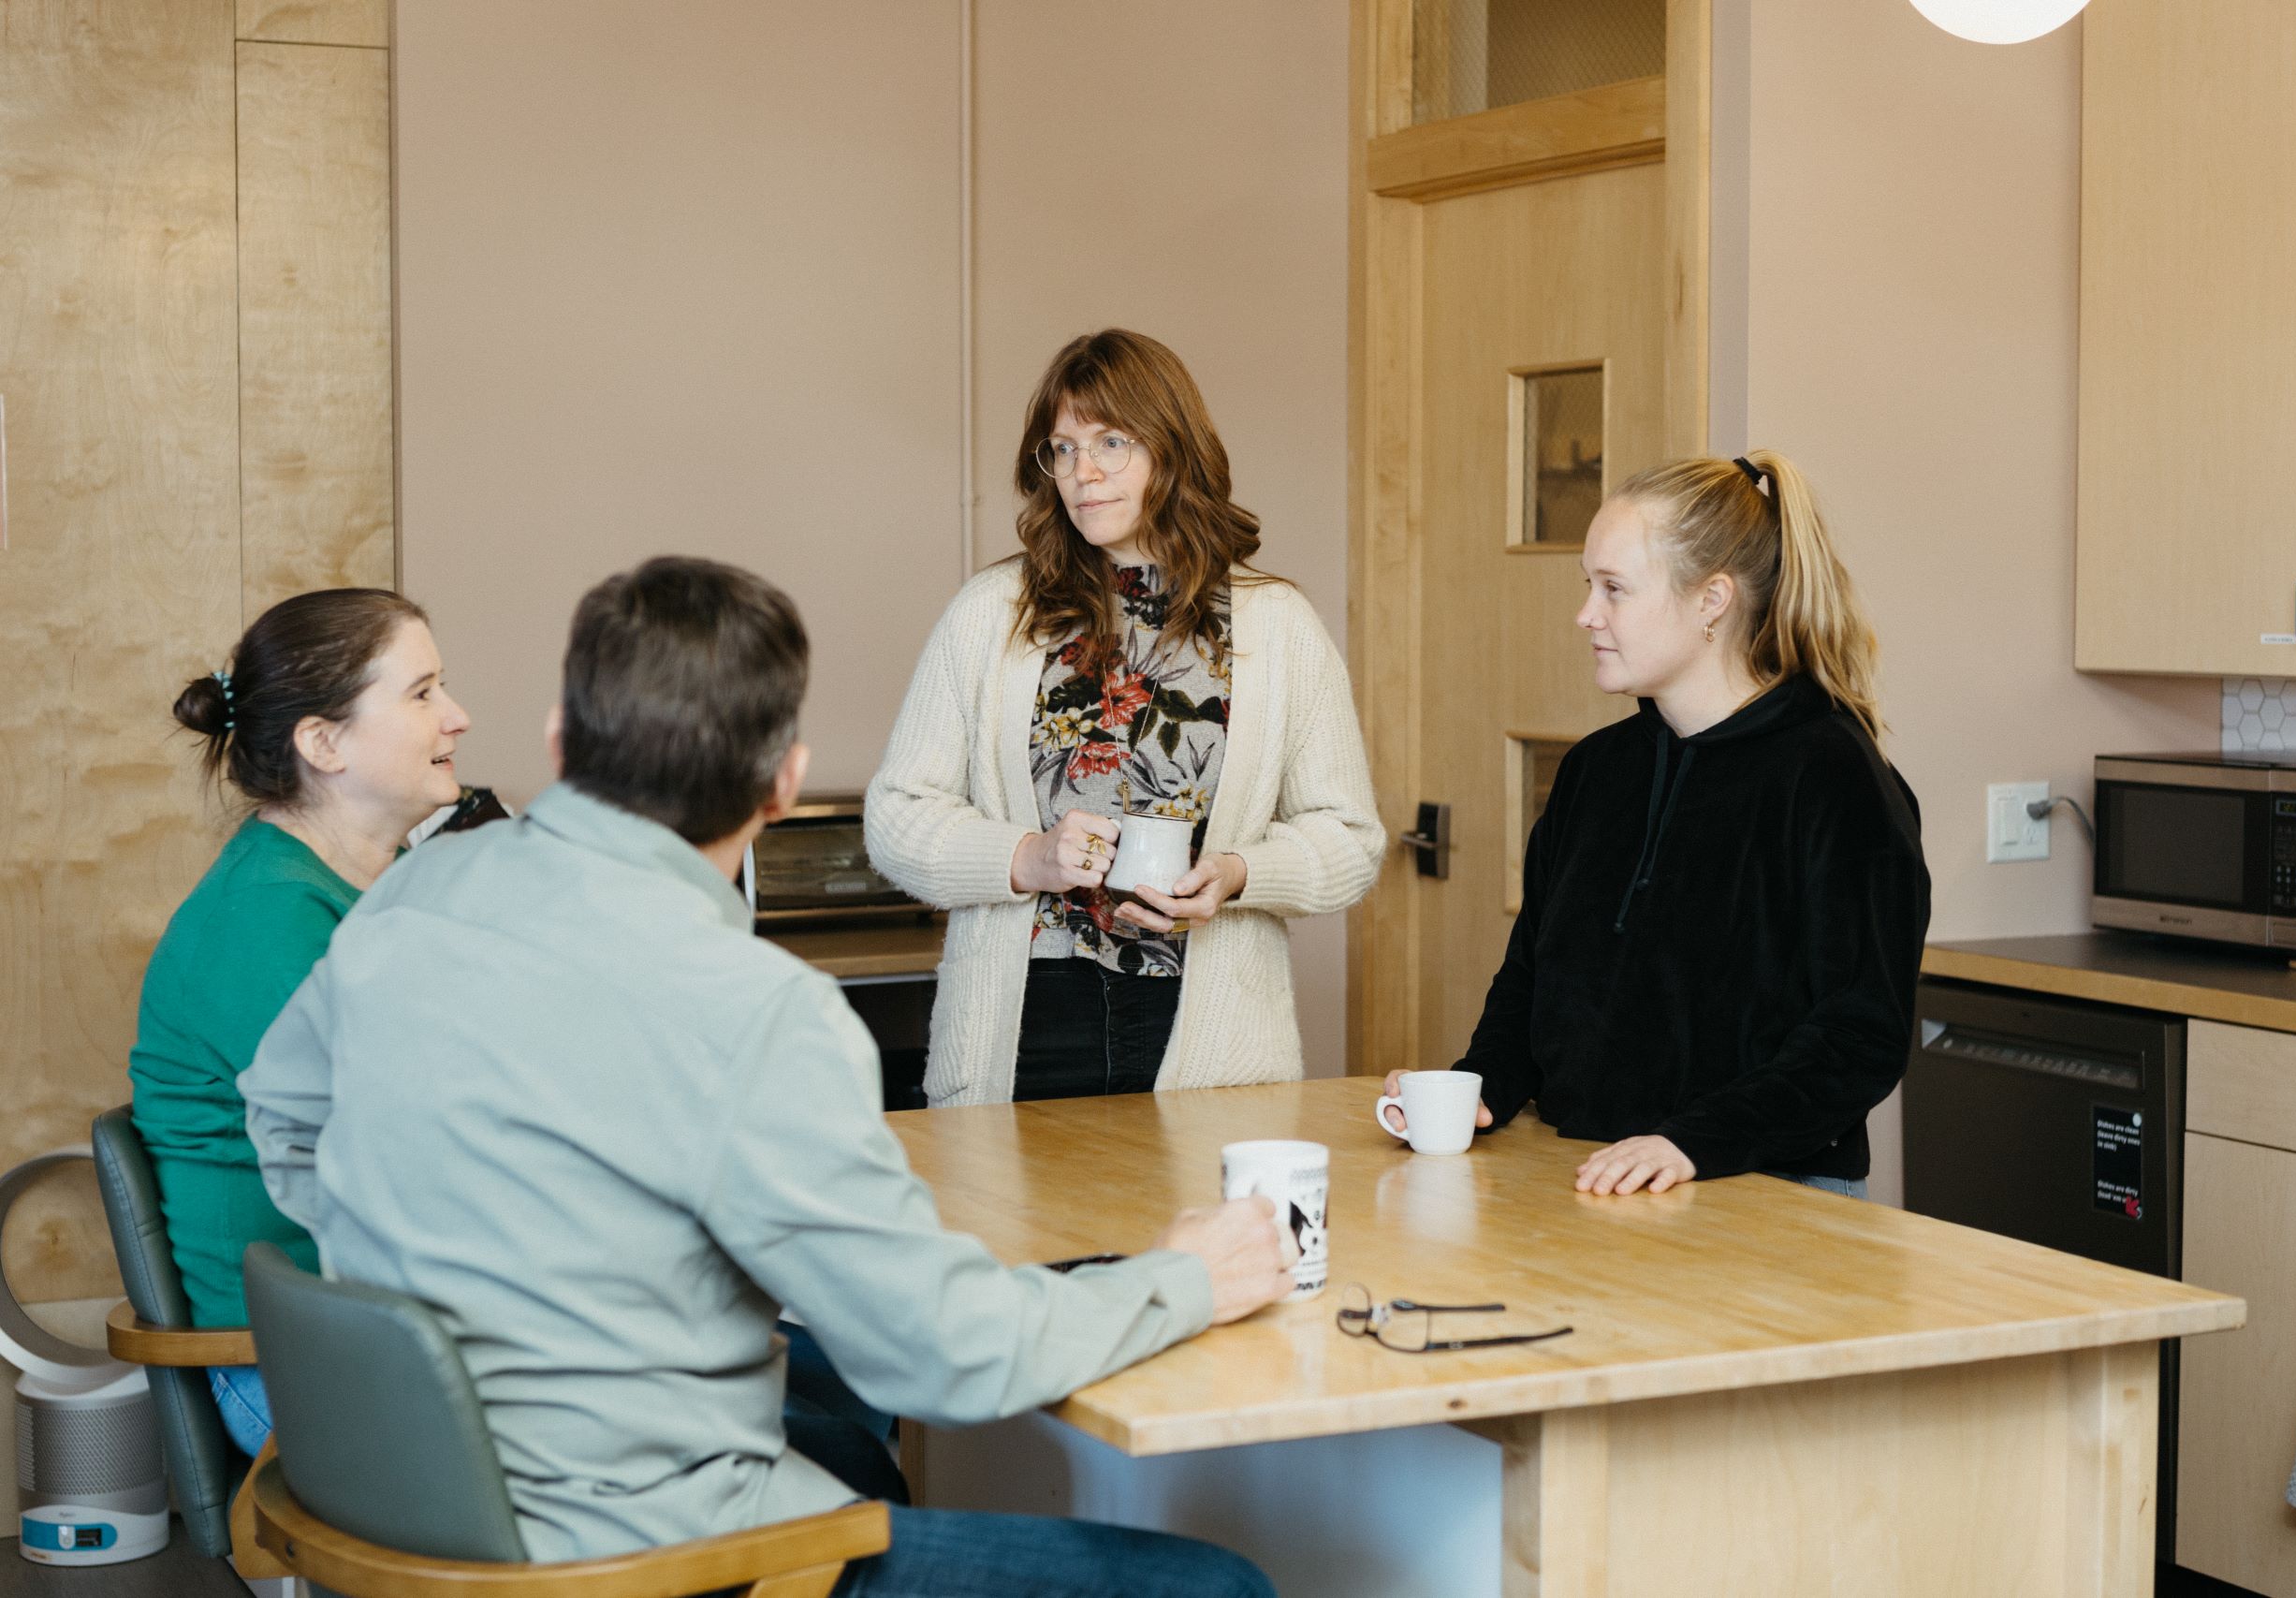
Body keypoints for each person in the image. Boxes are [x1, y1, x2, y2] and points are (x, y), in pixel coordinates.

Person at [241, 556, 1286, 1595]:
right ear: (784, 781)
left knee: (852, 1450)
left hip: (402, 1504)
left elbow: (283, 1114)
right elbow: (947, 1356)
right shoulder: (758, 1011)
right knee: (1216, 1587)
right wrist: (1186, 1278)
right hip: (638, 1557)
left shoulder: (417, 892)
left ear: (563, 737)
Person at [1381, 451, 1932, 1199]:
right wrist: (1478, 1090)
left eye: (1614, 589)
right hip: (1590, 1180)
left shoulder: (1835, 776)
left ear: (1712, 599)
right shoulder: (1594, 772)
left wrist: (1690, 1142)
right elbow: (1531, 981)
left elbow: (1860, 1036)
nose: (1586, 614)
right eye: (1589, 585)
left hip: (1769, 1195)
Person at [867, 330, 1382, 1104]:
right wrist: (1028, 858)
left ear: (1173, 450)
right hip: (1024, 1025)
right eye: (1063, 448)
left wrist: (1240, 874)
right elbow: (897, 817)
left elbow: (1349, 837)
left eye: (1112, 440)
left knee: (1204, 1230)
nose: (1085, 471)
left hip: (1211, 1033)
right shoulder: (991, 614)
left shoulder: (1278, 623)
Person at [128, 589, 472, 1457]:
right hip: (302, 1373)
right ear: (323, 743)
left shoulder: (371, 891)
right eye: (422, 693)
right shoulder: (268, 920)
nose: (457, 718)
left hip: (399, 1331)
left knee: (798, 1406)